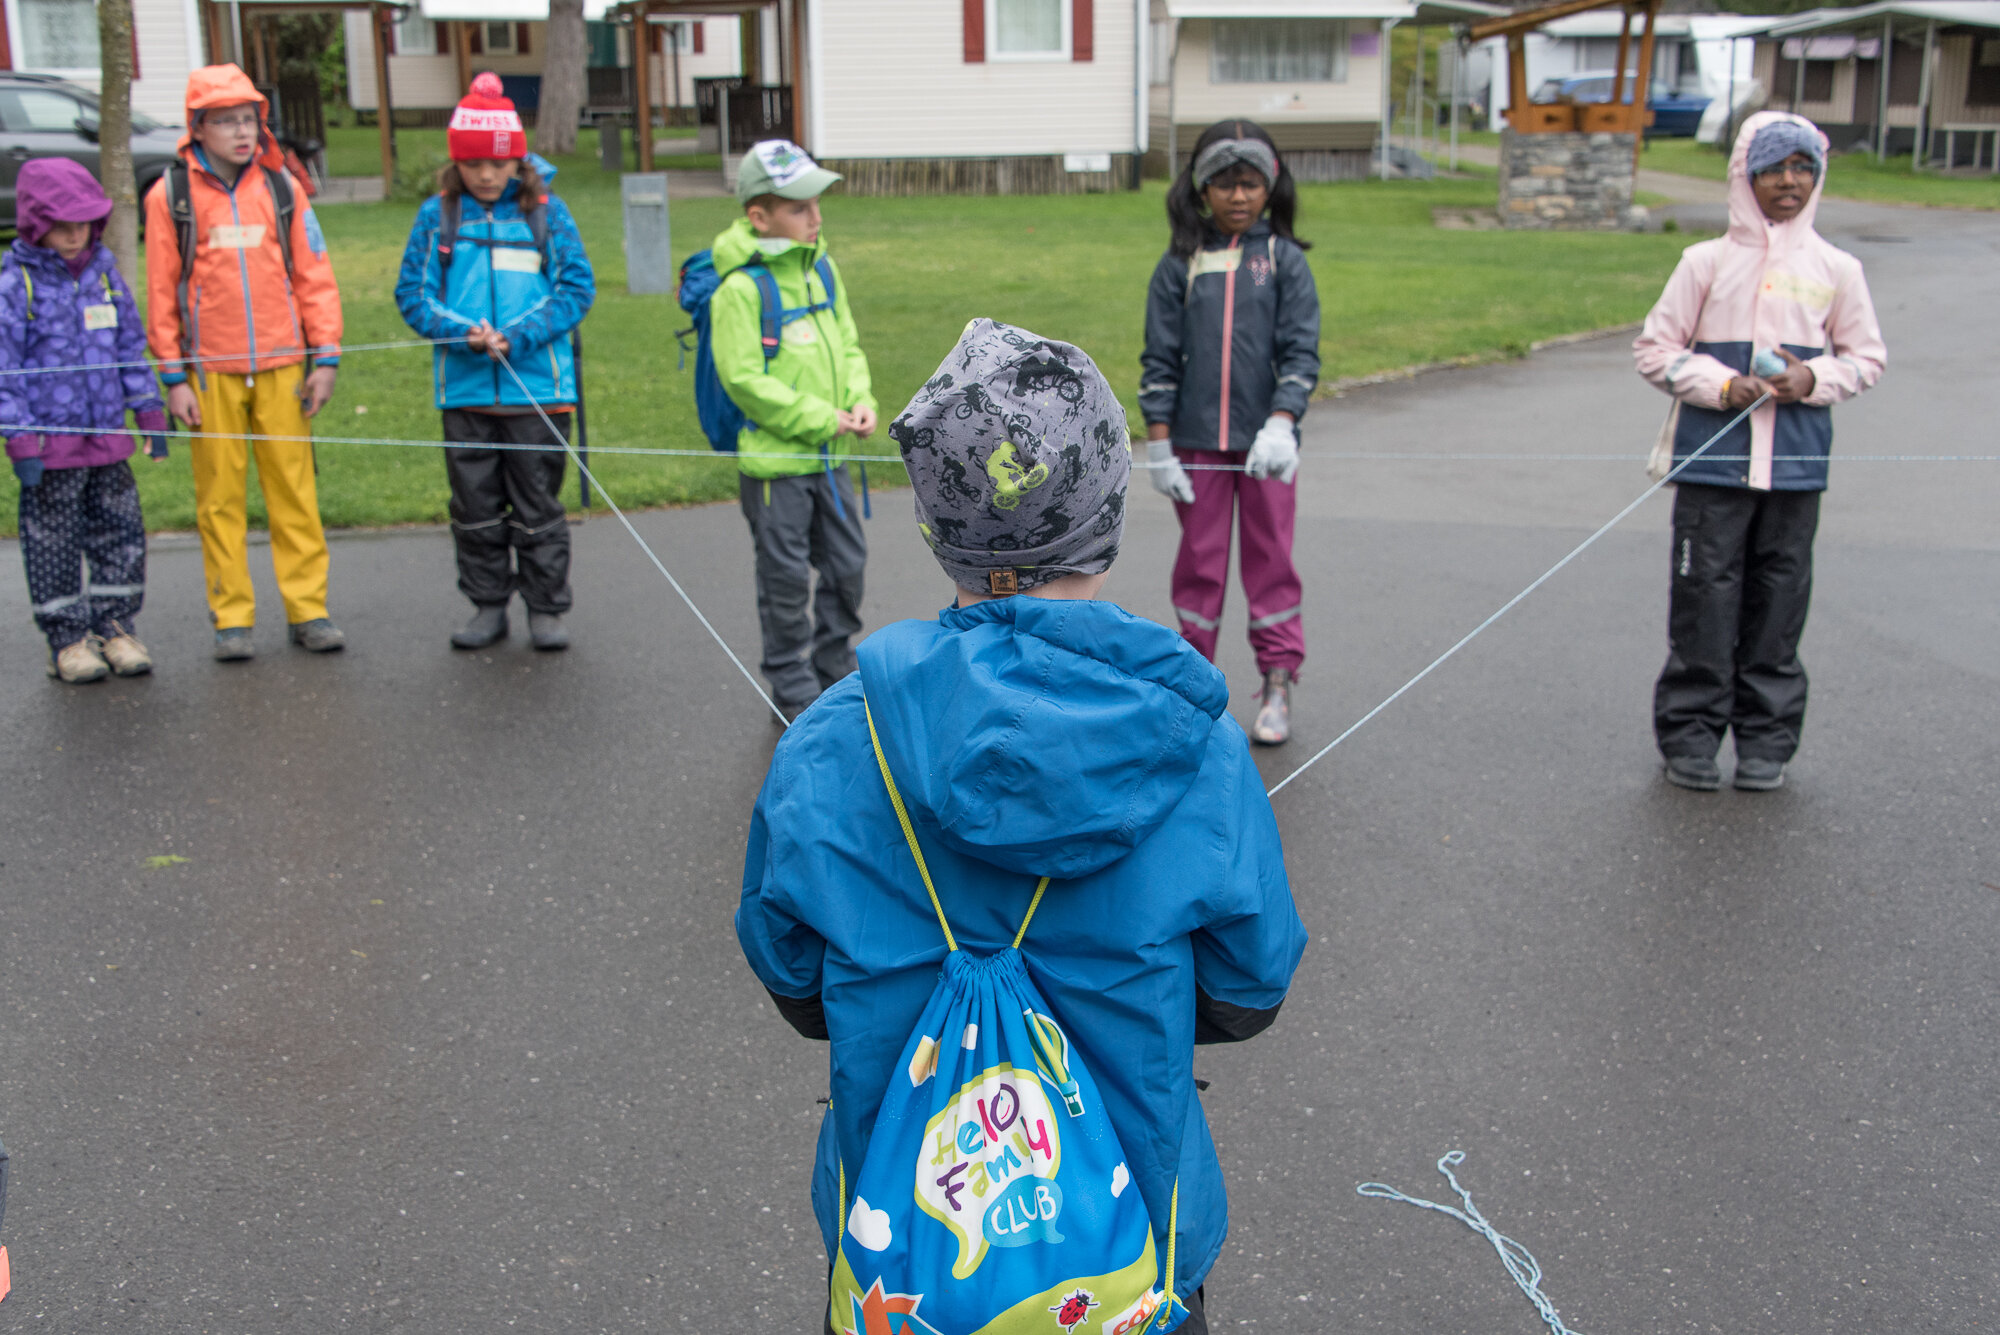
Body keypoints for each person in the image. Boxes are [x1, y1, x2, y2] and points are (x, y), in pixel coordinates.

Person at [738, 320, 1307, 1333]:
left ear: (933, 523)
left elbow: (795, 980)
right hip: (1132, 1253)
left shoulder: (828, 744)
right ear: (1107, 512)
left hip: (908, 1261)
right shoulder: (1197, 746)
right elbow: (1247, 986)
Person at [1634, 111, 1885, 792]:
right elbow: (1655, 349)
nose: (1789, 182)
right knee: (1703, 603)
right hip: (1712, 466)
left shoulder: (1838, 268)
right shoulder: (1705, 263)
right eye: (1774, 168)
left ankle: (1766, 741)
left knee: (1778, 605)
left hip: (1796, 470)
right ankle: (1690, 737)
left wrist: (1813, 378)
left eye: (1803, 168)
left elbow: (1865, 358)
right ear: (1745, 176)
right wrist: (1720, 385)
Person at [144, 64, 346, 662]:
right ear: (197, 129)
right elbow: (162, 290)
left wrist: (325, 357)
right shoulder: (171, 197)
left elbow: (314, 275)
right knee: (219, 501)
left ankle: (308, 610)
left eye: (248, 120)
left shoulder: (283, 189)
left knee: (294, 494)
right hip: (209, 375)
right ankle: (231, 617)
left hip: (284, 367)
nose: (240, 132)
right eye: (225, 121)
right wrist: (173, 376)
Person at [394, 73, 596, 652]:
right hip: (466, 393)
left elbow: (576, 289)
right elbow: (413, 295)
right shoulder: (437, 216)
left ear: (517, 161)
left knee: (538, 505)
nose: (486, 174)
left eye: (498, 163)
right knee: (474, 507)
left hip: (538, 392)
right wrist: (464, 335)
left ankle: (546, 607)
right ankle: (487, 605)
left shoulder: (546, 213)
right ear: (456, 163)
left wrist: (518, 337)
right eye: (473, 163)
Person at [1140, 119, 1321, 747]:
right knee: (1200, 565)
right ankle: (1193, 690)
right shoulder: (1179, 265)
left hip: (1267, 447)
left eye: (1250, 184)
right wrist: (1159, 444)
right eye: (1224, 184)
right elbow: (1159, 359)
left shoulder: (1284, 261)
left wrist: (1282, 423)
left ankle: (1277, 680)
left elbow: (1301, 354)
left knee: (1271, 561)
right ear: (1201, 189)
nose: (1238, 196)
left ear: (1270, 188)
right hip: (1195, 446)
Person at [708, 139, 878, 722]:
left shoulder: (821, 269)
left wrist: (860, 402)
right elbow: (743, 380)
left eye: (817, 203)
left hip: (831, 461)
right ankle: (792, 684)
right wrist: (820, 419)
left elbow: (848, 346)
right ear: (760, 216)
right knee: (784, 583)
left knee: (847, 567)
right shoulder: (739, 290)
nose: (816, 217)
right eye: (799, 207)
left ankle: (834, 665)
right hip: (775, 467)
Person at [1, 159, 169, 683]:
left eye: (84, 223)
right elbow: (5, 369)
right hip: (51, 449)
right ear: (36, 224)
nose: (75, 236)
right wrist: (20, 439)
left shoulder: (105, 275)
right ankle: (68, 641)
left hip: (108, 442)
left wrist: (148, 409)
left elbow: (129, 347)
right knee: (53, 544)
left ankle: (116, 627)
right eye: (62, 225)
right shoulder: (15, 284)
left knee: (121, 535)